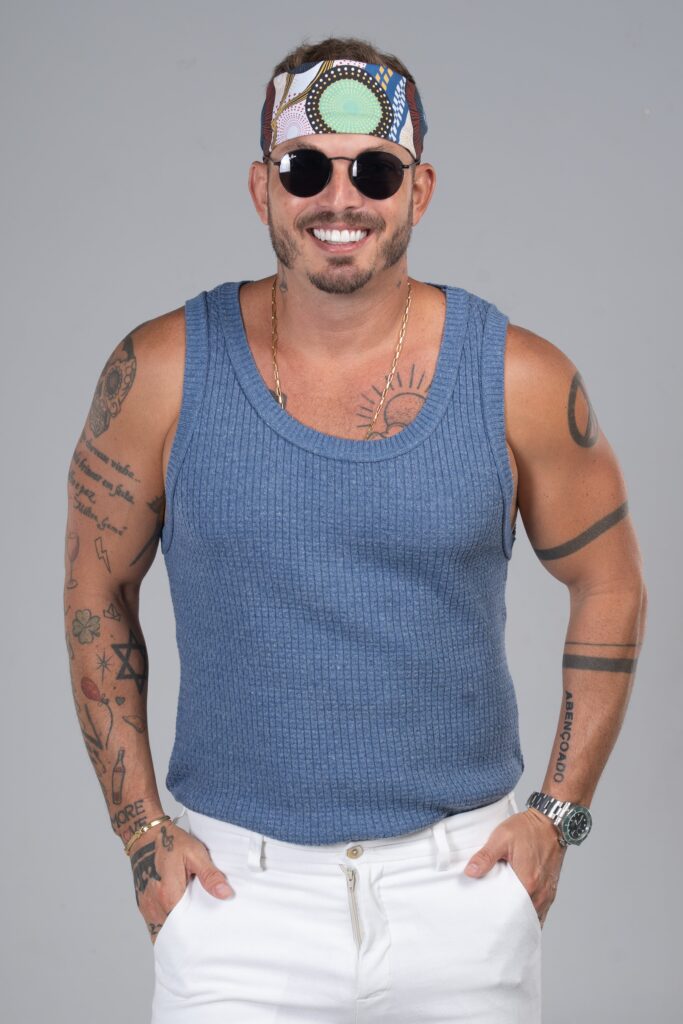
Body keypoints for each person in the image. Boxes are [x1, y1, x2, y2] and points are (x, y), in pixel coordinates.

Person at [63, 35, 648, 1024]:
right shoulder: (160, 373)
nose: (340, 198)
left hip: (461, 890)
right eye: (305, 168)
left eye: (375, 170)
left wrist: (556, 813)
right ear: (262, 187)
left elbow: (611, 581)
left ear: (419, 188)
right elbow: (95, 593)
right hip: (234, 901)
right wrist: (140, 831)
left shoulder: (518, 379)